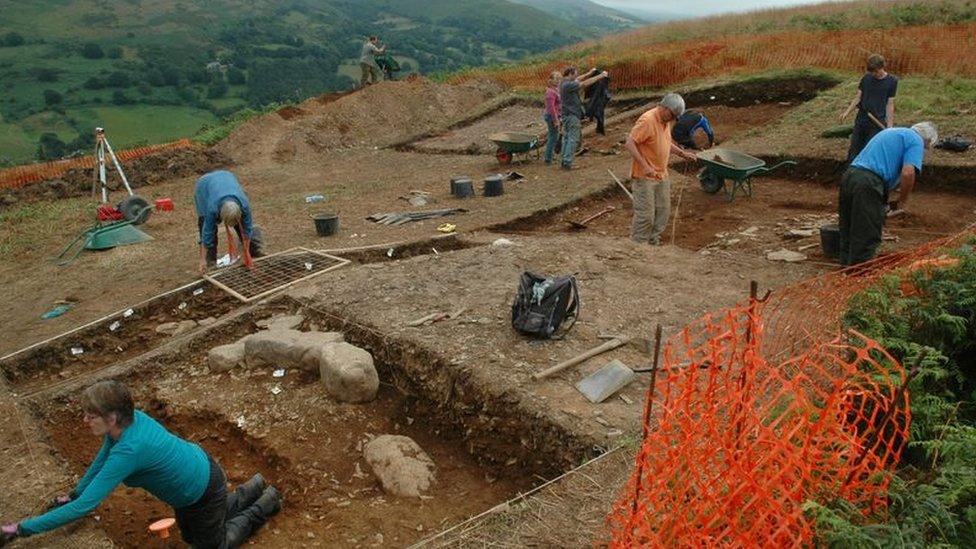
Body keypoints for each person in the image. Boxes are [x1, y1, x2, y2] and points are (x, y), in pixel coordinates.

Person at [0, 380, 282, 548]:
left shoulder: (130, 450)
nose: (85, 420)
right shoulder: (130, 420)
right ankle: (254, 486)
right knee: (192, 533)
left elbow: (84, 508)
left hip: (202, 490)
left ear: (112, 417)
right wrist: (74, 493)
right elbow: (101, 460)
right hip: (200, 479)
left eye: (90, 415)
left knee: (210, 544)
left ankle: (266, 502)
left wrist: (21, 529)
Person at [838, 122, 937, 265]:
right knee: (866, 232)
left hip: (850, 176)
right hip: (868, 182)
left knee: (848, 227)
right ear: (928, 140)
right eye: (926, 147)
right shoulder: (916, 140)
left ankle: (844, 271)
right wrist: (902, 201)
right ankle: (859, 276)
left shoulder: (892, 132)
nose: (924, 150)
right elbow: (908, 173)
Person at [624, 93, 698, 246]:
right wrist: (645, 166)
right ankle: (638, 245)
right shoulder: (648, 120)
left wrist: (682, 153)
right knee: (646, 215)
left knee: (663, 211)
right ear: (664, 107)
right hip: (644, 177)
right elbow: (630, 143)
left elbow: (665, 141)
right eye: (672, 115)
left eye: (675, 117)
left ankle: (653, 241)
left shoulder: (665, 121)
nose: (673, 119)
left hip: (661, 174)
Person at [195, 170, 262, 274]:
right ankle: (210, 261)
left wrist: (246, 252)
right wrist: (202, 259)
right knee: (206, 225)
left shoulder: (244, 205)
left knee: (243, 227)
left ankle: (254, 251)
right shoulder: (212, 208)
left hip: (226, 177)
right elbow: (206, 233)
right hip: (204, 187)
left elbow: (247, 230)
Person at [840, 54, 898, 161]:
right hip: (861, 119)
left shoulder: (892, 81)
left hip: (877, 122)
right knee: (854, 150)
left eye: (876, 71)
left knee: (869, 151)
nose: (874, 74)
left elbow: (890, 104)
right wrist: (847, 112)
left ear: (882, 67)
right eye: (872, 72)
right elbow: (858, 97)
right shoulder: (866, 78)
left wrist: (890, 126)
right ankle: (849, 173)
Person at [559, 67, 609, 170]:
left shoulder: (564, 83)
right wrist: (600, 76)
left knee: (567, 138)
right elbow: (584, 84)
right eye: (575, 75)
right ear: (570, 74)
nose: (576, 77)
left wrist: (590, 73)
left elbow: (580, 79)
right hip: (572, 115)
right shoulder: (568, 85)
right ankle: (567, 162)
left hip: (567, 115)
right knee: (573, 139)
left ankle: (564, 161)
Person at [543, 71, 562, 165]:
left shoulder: (556, 89)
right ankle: (548, 159)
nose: (558, 81)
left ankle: (548, 156)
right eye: (556, 79)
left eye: (559, 79)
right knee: (553, 137)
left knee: (553, 136)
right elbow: (551, 108)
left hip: (555, 115)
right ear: (551, 80)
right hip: (551, 116)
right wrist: (555, 120)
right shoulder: (550, 92)